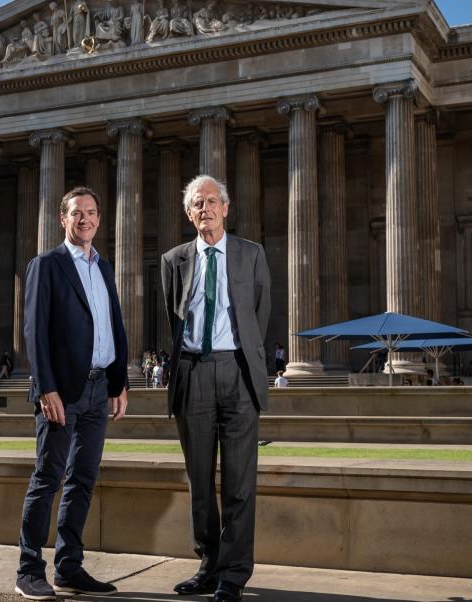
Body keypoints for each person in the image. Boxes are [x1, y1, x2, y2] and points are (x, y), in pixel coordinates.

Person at [161, 175, 271, 602]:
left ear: (226, 208)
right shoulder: (174, 260)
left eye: (211, 201)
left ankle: (235, 572)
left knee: (240, 481)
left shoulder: (251, 255)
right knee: (200, 480)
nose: (204, 208)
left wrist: (240, 356)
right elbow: (173, 319)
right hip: (193, 372)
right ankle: (209, 565)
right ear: (189, 214)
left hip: (237, 370)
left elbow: (260, 317)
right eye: (196, 203)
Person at [15, 186, 129, 600]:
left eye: (93, 212)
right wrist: (46, 387)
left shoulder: (105, 267)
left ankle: (69, 566)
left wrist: (120, 382)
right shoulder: (46, 265)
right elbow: (34, 331)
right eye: (77, 213)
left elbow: (112, 326)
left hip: (101, 387)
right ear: (63, 219)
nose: (86, 219)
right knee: (47, 478)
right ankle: (29, 569)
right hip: (62, 391)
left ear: (100, 219)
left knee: (83, 479)